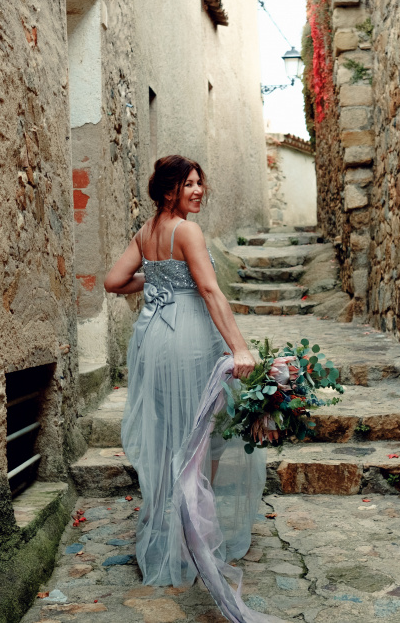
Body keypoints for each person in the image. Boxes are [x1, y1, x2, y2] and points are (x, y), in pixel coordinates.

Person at [104, 155, 276, 588]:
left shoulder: (146, 232)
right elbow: (210, 290)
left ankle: (179, 528)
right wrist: (240, 349)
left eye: (200, 182)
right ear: (169, 191)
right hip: (190, 339)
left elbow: (114, 281)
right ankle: (195, 535)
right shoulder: (187, 231)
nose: (199, 190)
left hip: (153, 340)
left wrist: (157, 279)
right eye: (189, 184)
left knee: (174, 432)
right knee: (204, 436)